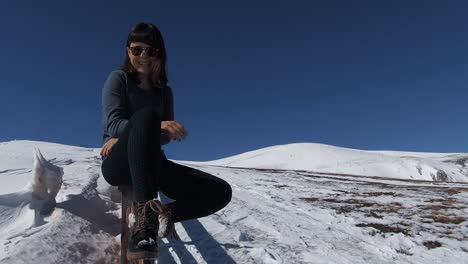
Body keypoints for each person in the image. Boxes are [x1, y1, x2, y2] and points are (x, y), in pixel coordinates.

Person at [100, 22, 232, 260]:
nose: (143, 55)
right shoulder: (118, 79)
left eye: (151, 50)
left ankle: (155, 214)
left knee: (220, 192)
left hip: (152, 163)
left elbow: (163, 139)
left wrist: (154, 129)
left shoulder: (164, 92)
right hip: (119, 163)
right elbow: (112, 125)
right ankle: (144, 227)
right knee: (147, 116)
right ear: (128, 50)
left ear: (160, 54)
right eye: (137, 49)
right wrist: (151, 125)